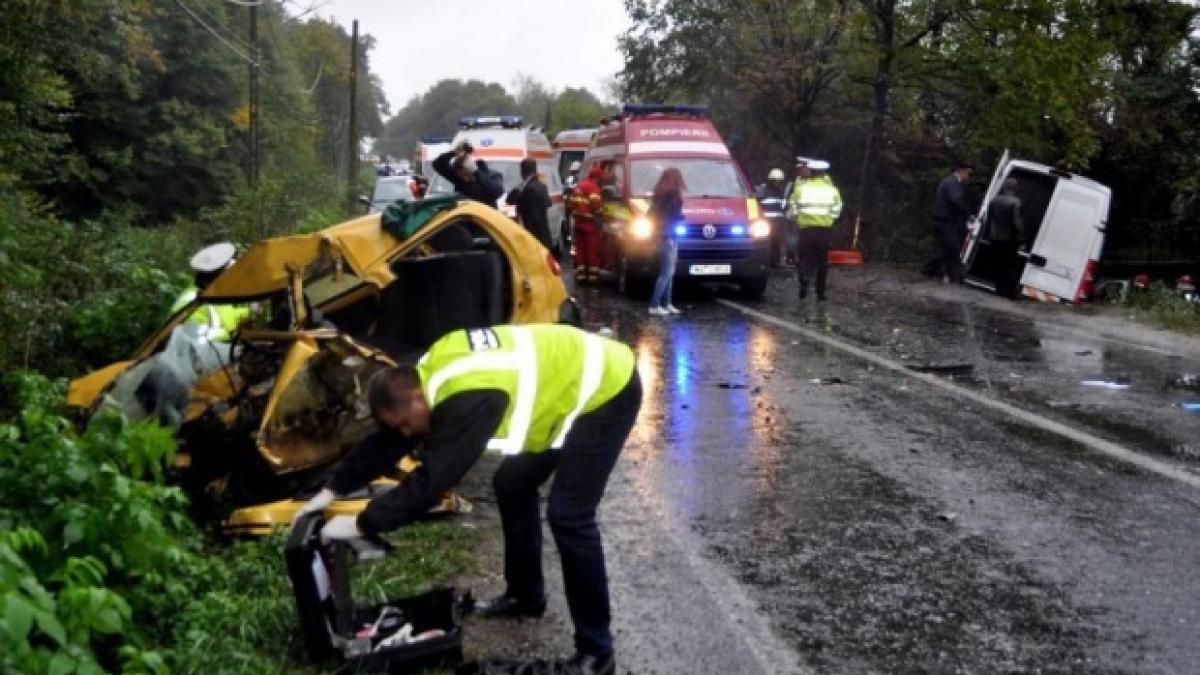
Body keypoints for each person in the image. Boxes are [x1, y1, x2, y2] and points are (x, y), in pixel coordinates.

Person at [294, 324, 641, 675]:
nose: (406, 434)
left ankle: (597, 655)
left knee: (570, 516)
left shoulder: (468, 397)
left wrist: (361, 522)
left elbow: (434, 480)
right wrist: (332, 489)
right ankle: (526, 596)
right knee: (511, 484)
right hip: (563, 394)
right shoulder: (428, 375)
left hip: (606, 392)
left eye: (403, 424)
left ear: (414, 398)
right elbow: (389, 440)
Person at [170, 242, 251, 343]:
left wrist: (249, 313)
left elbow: (225, 316)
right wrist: (232, 333)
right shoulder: (189, 305)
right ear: (219, 277)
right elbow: (199, 339)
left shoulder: (213, 295)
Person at [788, 159, 843, 301]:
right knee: (823, 261)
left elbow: (793, 207)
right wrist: (827, 220)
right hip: (824, 231)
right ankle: (820, 292)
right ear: (824, 173)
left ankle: (804, 279)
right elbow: (837, 211)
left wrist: (800, 218)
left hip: (806, 230)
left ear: (811, 172)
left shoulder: (801, 189)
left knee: (803, 259)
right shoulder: (833, 190)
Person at [923, 160, 974, 283]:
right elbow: (955, 200)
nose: (969, 177)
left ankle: (930, 272)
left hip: (942, 220)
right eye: (968, 173)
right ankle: (955, 277)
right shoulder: (953, 183)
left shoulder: (948, 181)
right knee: (953, 249)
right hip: (946, 222)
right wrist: (968, 214)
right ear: (961, 171)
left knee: (944, 249)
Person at [648, 168, 685, 316]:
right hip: (669, 235)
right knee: (667, 272)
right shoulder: (673, 195)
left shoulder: (659, 195)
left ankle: (667, 303)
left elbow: (651, 214)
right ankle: (655, 304)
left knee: (669, 272)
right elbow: (674, 215)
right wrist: (682, 217)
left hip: (662, 235)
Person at [983, 177, 1025, 298]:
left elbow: (989, 219)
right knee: (1009, 267)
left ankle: (998, 288)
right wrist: (1021, 239)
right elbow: (1017, 224)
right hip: (1009, 240)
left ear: (1004, 187)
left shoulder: (994, 200)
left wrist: (987, 235)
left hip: (994, 238)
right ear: (1016, 188)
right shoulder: (1016, 202)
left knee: (997, 264)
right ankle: (1007, 292)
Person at [432, 141, 505, 207]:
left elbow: (497, 190)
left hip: (486, 218)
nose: (461, 175)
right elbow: (438, 164)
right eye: (459, 172)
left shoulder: (493, 176)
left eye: (463, 171)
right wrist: (454, 153)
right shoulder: (459, 180)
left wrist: (476, 173)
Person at [505, 158, 553, 250]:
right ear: (535, 170)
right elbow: (548, 204)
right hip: (544, 235)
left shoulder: (527, 189)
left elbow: (510, 201)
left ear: (522, 172)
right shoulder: (542, 186)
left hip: (532, 236)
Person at [569, 165, 605, 283]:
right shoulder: (593, 187)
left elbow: (572, 204)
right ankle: (592, 277)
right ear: (597, 177)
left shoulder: (580, 185)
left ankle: (581, 276)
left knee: (580, 250)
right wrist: (602, 212)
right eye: (600, 178)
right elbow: (596, 206)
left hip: (578, 222)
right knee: (591, 250)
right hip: (589, 224)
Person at [755, 168, 789, 267]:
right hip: (764, 223)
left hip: (777, 223)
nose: (777, 183)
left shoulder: (781, 192)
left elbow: (784, 207)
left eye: (779, 181)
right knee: (763, 243)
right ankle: (763, 262)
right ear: (771, 180)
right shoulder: (762, 190)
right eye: (775, 181)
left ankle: (775, 262)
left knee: (776, 242)